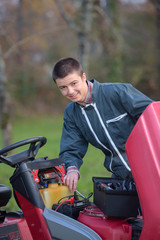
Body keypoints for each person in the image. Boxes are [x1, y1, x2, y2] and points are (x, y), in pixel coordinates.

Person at [52, 57, 153, 192]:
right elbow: (71, 148)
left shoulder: (117, 92)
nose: (70, 91)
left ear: (83, 77)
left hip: (151, 168)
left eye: (73, 83)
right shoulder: (71, 113)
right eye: (63, 87)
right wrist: (71, 169)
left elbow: (153, 115)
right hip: (121, 176)